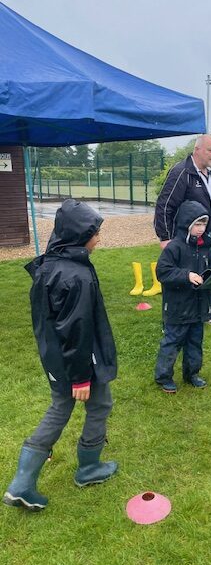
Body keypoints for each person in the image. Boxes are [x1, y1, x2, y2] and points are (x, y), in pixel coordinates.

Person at [3, 199, 118, 512]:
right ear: (79, 235)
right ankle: (89, 469)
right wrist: (81, 375)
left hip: (55, 358)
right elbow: (76, 329)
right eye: (95, 233)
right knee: (101, 403)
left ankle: (22, 484)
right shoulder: (76, 276)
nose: (99, 238)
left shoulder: (50, 263)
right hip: (78, 360)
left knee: (60, 407)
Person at [154, 134, 211, 326]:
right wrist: (165, 237)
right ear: (197, 150)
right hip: (182, 238)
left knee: (206, 273)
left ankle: (205, 314)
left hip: (205, 237)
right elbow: (165, 205)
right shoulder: (182, 172)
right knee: (181, 278)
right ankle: (172, 321)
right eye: (210, 149)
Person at [154, 200, 211, 393]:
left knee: (195, 342)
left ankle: (192, 374)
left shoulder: (206, 247)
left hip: (198, 307)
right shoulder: (175, 247)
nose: (201, 228)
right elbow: (162, 271)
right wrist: (186, 275)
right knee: (172, 342)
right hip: (178, 307)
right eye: (197, 224)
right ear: (186, 224)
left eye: (204, 224)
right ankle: (164, 377)